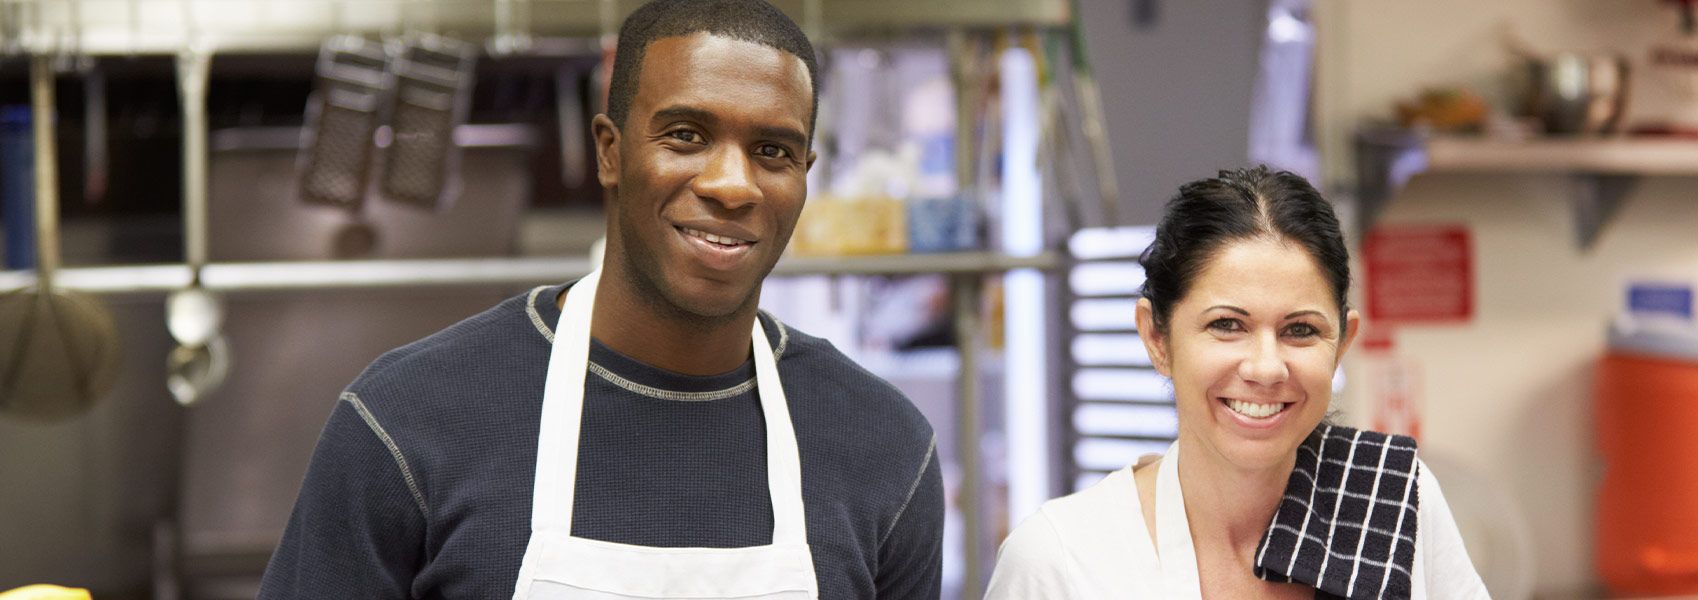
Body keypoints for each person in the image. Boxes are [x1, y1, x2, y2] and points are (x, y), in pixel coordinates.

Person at [258, 1, 944, 597]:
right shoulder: (406, 423)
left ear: (803, 177)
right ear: (610, 153)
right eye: (686, 136)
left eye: (772, 151)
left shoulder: (885, 450)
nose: (733, 185)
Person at [985, 167, 1488, 599]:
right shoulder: (1062, 558)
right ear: (1156, 338)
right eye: (1227, 325)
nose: (1266, 368)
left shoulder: (1396, 501)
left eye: (1301, 330)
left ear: (1342, 341)